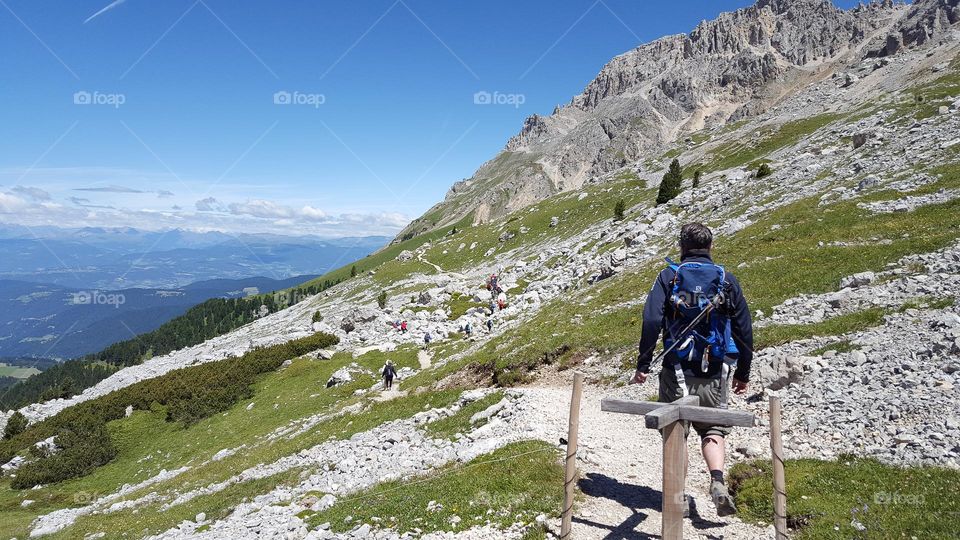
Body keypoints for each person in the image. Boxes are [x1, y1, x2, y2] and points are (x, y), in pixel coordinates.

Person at [632, 222, 753, 518]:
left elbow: (651, 320)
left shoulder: (669, 277)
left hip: (677, 368)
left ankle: (678, 497)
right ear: (710, 247)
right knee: (713, 428)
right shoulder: (726, 279)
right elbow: (744, 328)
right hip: (715, 369)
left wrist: (644, 364)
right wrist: (743, 372)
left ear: (682, 246)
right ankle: (717, 481)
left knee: (677, 431)